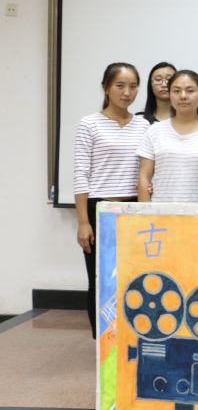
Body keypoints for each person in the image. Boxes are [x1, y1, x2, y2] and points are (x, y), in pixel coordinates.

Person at [73, 62, 149, 338]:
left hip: (133, 209)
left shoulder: (143, 125)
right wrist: (83, 221)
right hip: (100, 209)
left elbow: (145, 171)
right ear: (106, 87)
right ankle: (102, 343)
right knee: (100, 279)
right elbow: (81, 173)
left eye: (133, 86)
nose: (127, 92)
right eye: (120, 85)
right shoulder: (89, 123)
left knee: (133, 278)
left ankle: (129, 339)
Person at [137, 70, 198, 203]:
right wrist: (144, 212)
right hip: (160, 211)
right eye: (176, 91)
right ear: (170, 95)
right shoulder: (154, 131)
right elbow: (144, 178)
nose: (183, 96)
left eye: (190, 91)